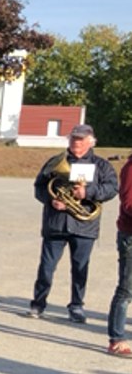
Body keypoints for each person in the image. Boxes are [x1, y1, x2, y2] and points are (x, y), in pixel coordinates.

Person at [26, 123, 119, 323]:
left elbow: (112, 188)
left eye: (80, 139)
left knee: (80, 269)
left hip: (84, 226)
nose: (76, 142)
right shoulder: (55, 162)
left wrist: (88, 192)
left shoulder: (102, 165)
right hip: (56, 224)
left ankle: (76, 306)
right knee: (46, 268)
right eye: (73, 138)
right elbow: (39, 187)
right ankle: (38, 303)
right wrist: (51, 200)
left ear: (90, 142)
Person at [107, 157, 132, 356]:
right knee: (126, 290)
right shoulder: (130, 168)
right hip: (130, 236)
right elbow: (129, 204)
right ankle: (116, 339)